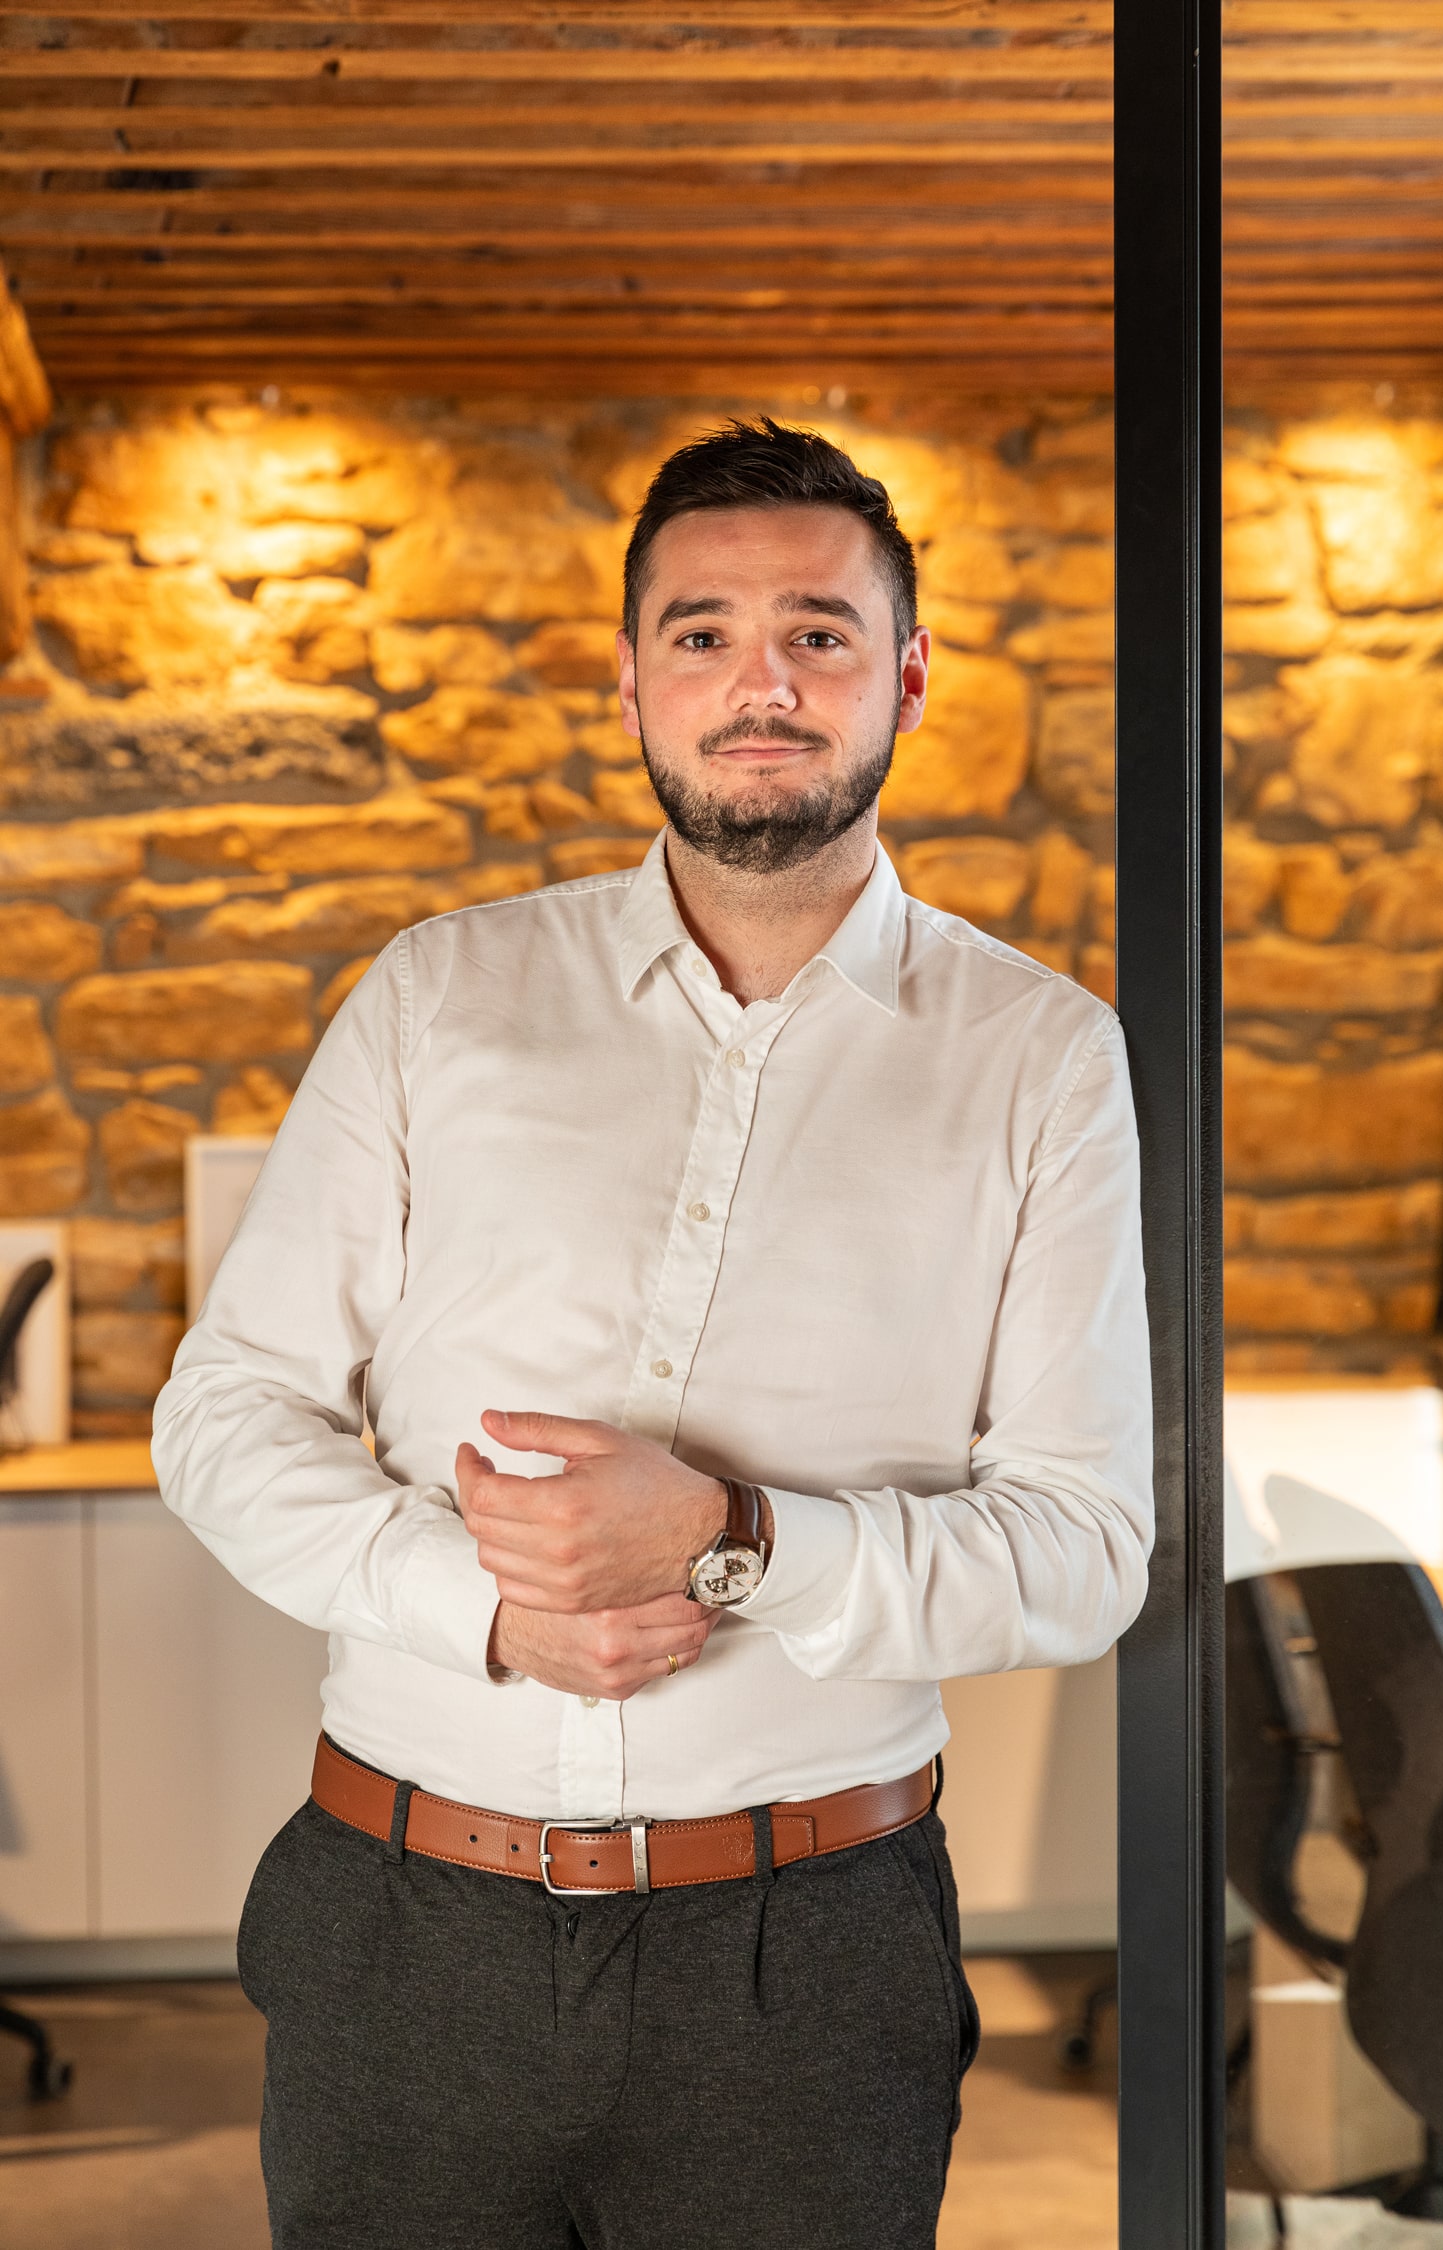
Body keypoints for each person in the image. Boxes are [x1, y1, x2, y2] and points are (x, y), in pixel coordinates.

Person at [153, 417, 1153, 2250]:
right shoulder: (439, 995)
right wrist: (485, 1606)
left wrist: (734, 1541)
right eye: (701, 633)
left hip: (811, 1962)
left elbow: (1083, 1553)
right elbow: (225, 1411)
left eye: (820, 633)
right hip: (403, 1937)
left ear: (908, 677)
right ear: (629, 682)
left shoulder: (1041, 1060)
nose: (759, 681)